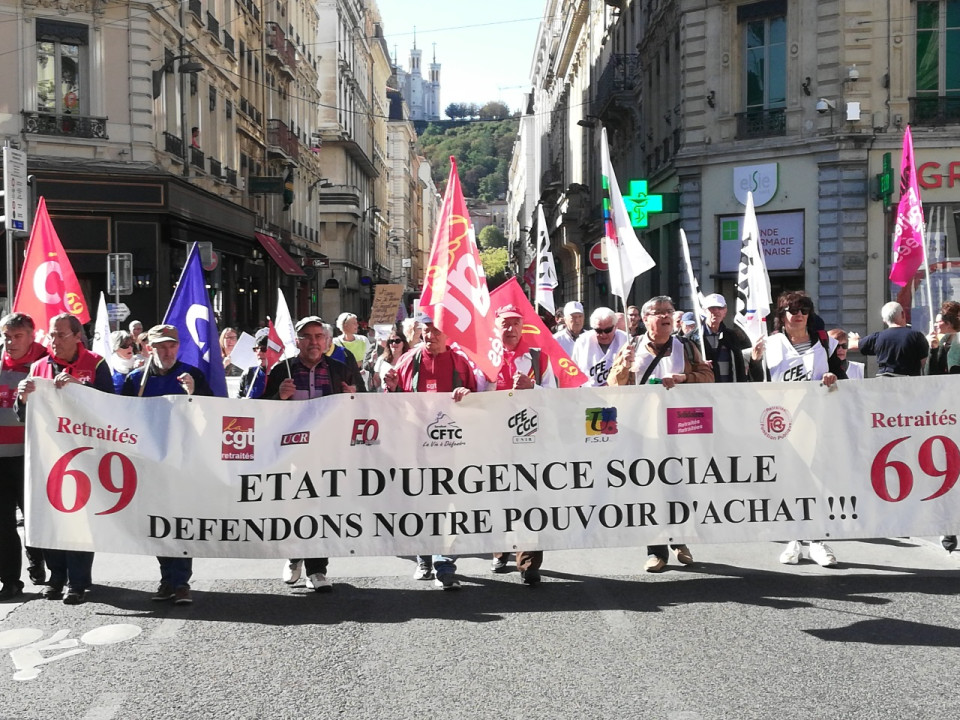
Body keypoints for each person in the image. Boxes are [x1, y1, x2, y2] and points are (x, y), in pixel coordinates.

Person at [16, 313, 115, 604]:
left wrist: (79, 390)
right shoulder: (37, 367)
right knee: (51, 519)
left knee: (79, 519)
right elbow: (24, 417)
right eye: (51, 335)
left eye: (61, 335)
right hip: (49, 457)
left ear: (77, 337)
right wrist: (22, 398)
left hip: (86, 456)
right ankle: (56, 577)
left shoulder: (95, 364)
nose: (54, 341)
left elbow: (112, 407)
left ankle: (79, 581)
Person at [609, 296, 713, 573]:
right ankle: (656, 551)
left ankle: (680, 542)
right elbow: (613, 387)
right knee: (649, 489)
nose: (666, 316)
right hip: (644, 430)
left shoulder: (687, 348)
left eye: (670, 311)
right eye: (659, 313)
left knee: (679, 486)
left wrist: (685, 379)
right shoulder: (631, 348)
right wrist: (623, 367)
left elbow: (708, 377)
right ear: (646, 319)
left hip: (680, 430)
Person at [749, 291, 844, 567]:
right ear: (782, 316)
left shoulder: (825, 342)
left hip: (818, 421)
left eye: (803, 309)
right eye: (792, 309)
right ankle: (793, 539)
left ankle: (817, 540)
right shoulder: (771, 343)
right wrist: (754, 362)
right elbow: (756, 384)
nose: (798, 314)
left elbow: (843, 377)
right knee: (789, 482)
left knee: (817, 481)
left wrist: (833, 377)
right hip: (781, 423)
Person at [384, 311, 477, 590]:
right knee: (418, 503)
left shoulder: (460, 362)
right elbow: (392, 401)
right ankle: (423, 557)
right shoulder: (407, 360)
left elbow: (478, 400)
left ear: (449, 335)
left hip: (451, 449)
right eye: (426, 330)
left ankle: (444, 561)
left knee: (447, 504)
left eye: (437, 330)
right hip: (414, 447)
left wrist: (466, 395)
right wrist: (390, 388)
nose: (430, 335)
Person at [263, 316, 356, 593]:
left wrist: (354, 394)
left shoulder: (341, 369)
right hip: (291, 452)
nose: (313, 342)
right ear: (298, 341)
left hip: (328, 451)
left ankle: (317, 570)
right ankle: (293, 557)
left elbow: (364, 402)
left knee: (321, 508)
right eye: (307, 336)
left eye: (319, 336)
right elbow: (259, 410)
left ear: (327, 341)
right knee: (293, 507)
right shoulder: (283, 370)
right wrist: (278, 396)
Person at [122, 324, 213, 605]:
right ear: (150, 347)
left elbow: (214, 414)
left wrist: (194, 393)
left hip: (183, 461)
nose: (167, 351)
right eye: (161, 346)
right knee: (157, 523)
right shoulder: (137, 380)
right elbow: (119, 416)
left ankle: (182, 581)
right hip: (149, 462)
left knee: (181, 522)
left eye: (172, 345)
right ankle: (166, 579)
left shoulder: (192, 375)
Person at [487, 304, 556, 585]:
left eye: (516, 323)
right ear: (497, 325)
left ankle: (529, 563)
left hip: (529, 440)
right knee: (497, 496)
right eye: (505, 323)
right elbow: (474, 393)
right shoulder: (484, 357)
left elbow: (555, 397)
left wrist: (533, 388)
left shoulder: (538, 358)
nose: (511, 328)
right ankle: (499, 549)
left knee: (530, 500)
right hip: (493, 440)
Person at [0, 313, 49, 600]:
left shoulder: (43, 365)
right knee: (3, 522)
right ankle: (10, 579)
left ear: (32, 336)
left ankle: (38, 558)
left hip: (30, 456)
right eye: (7, 335)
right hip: (1, 457)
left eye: (18, 336)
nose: (11, 341)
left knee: (33, 517)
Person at [847, 301, 928, 376]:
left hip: (883, 383)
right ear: (903, 314)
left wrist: (856, 339)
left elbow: (851, 345)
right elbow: (924, 363)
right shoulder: (917, 336)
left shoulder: (877, 338)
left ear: (884, 320)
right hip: (909, 384)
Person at [571, 306, 630, 387]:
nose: (603, 335)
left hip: (619, 394)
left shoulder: (626, 340)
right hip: (590, 395)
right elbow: (574, 372)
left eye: (607, 330)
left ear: (615, 327)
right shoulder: (582, 341)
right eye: (598, 331)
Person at [700, 293, 751, 383]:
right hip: (703, 392)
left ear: (725, 311)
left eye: (720, 308)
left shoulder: (732, 337)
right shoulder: (694, 337)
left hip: (729, 392)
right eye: (712, 308)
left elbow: (740, 367)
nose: (716, 311)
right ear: (704, 311)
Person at [924, 301, 960, 376]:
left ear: (949, 323)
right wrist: (933, 349)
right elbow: (932, 373)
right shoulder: (945, 339)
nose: (935, 324)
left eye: (939, 321)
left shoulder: (952, 341)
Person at [372, 324, 409, 392]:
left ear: (404, 343)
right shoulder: (381, 359)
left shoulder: (408, 360)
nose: (394, 344)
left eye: (397, 341)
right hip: (384, 397)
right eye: (391, 341)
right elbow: (376, 382)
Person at [237, 329, 270, 398]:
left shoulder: (280, 373)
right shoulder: (248, 373)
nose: (259, 353)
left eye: (263, 349)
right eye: (256, 349)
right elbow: (239, 397)